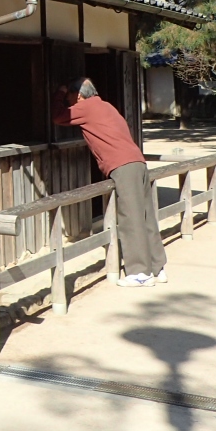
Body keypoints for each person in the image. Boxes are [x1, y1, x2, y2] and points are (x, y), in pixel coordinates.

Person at [52, 77, 166, 287]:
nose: (69, 100)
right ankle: (158, 267)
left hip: (122, 165)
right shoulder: (106, 106)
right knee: (146, 215)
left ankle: (140, 273)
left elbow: (59, 117)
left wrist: (59, 93)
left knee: (130, 218)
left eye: (70, 96)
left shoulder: (86, 107)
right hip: (137, 162)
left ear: (78, 95)